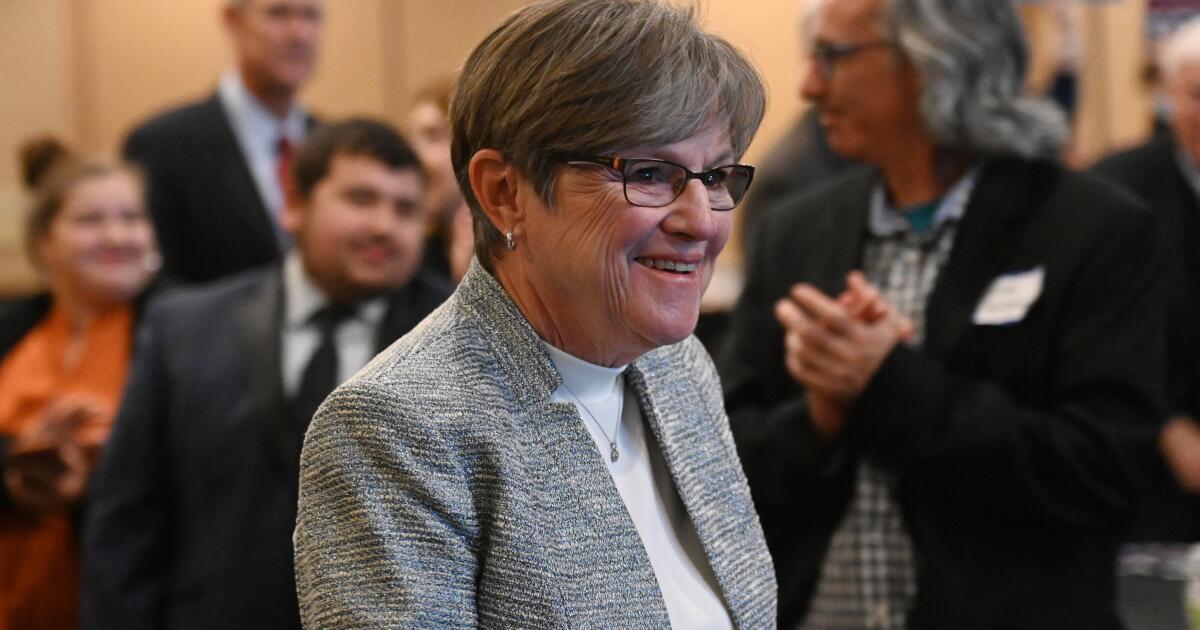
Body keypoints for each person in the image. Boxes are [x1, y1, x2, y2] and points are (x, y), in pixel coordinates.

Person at [293, 1, 776, 628]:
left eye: (714, 177)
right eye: (651, 174)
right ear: (504, 193)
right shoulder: (399, 428)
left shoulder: (679, 368)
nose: (702, 221)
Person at [719, 0, 1166, 628]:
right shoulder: (794, 232)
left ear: (934, 62)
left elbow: (1104, 471)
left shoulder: (1091, 230)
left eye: (833, 56)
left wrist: (889, 385)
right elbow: (725, 463)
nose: (810, 86)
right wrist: (820, 418)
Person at [82, 119, 450, 630]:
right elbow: (127, 521)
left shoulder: (457, 336)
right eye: (361, 199)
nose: (384, 226)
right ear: (294, 205)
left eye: (406, 209)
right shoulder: (184, 329)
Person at [0, 138, 159, 630]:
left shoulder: (183, 328)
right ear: (44, 242)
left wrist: (95, 473)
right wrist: (17, 463)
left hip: (123, 601)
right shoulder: (11, 326)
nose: (116, 236)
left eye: (132, 218)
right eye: (91, 220)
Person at [1090, 17, 1200, 628]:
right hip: (1148, 480)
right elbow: (1102, 335)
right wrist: (1169, 427)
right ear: (1167, 94)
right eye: (1197, 94)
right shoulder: (1117, 191)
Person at [122, 0, 324, 284]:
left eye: (311, 16)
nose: (299, 34)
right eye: (278, 13)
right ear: (233, 21)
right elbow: (154, 284)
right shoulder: (161, 144)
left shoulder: (333, 144)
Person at [409, 76, 473, 283]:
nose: (414, 154)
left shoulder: (512, 249)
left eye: (432, 136)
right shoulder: (417, 257)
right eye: (412, 138)